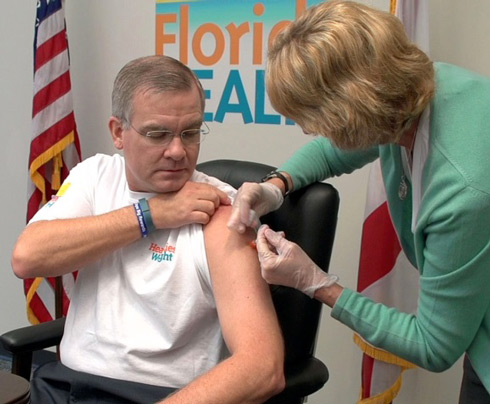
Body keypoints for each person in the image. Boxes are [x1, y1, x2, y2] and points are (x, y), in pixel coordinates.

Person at [227, 1, 490, 402]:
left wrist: (318, 284)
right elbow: (338, 152)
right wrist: (277, 184)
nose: (306, 130)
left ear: (351, 110)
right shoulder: (421, 90)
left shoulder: (463, 191)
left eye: (310, 118)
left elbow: (434, 347)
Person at [11, 55, 285, 403]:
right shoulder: (95, 177)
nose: (177, 151)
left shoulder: (223, 213)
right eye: (158, 134)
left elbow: (262, 366)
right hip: (67, 385)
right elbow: (27, 257)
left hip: (163, 396)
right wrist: (150, 214)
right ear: (118, 133)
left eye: (190, 133)